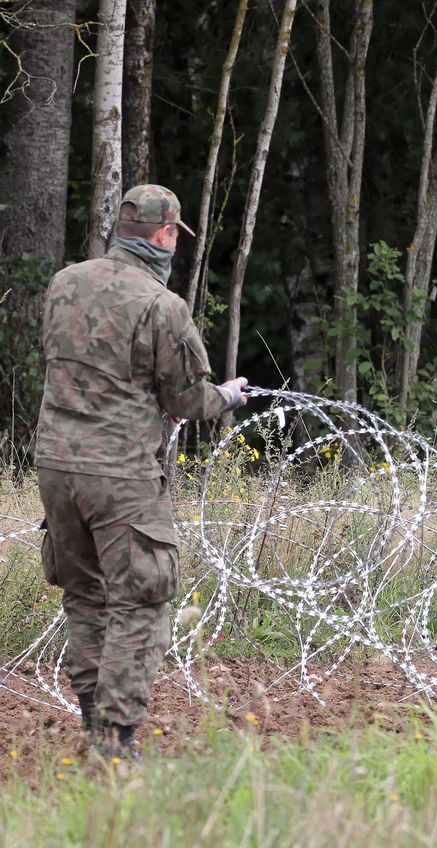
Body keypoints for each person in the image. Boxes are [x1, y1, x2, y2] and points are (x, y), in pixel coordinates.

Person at [35, 184, 248, 764]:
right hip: (120, 474)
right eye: (176, 233)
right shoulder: (163, 306)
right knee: (143, 599)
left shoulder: (64, 283)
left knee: (85, 596)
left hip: (55, 463)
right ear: (165, 233)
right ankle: (115, 741)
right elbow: (185, 399)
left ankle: (92, 723)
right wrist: (227, 396)